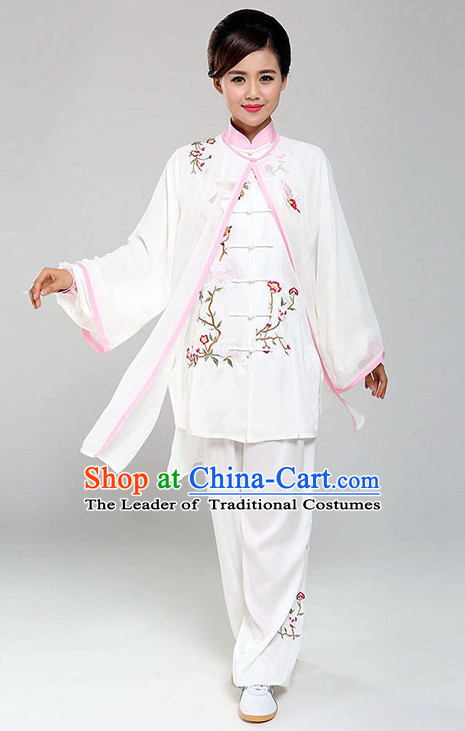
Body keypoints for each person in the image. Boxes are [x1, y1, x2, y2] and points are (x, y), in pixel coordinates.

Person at [29, 9, 388, 723]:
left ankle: (263, 666)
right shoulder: (189, 165)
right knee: (233, 523)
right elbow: (149, 255)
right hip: (213, 371)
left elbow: (333, 261)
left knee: (279, 520)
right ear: (216, 81)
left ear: (285, 80)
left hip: (284, 370)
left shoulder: (308, 165)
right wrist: (79, 277)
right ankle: (254, 649)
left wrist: (361, 351)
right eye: (238, 77)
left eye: (266, 77)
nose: (252, 92)